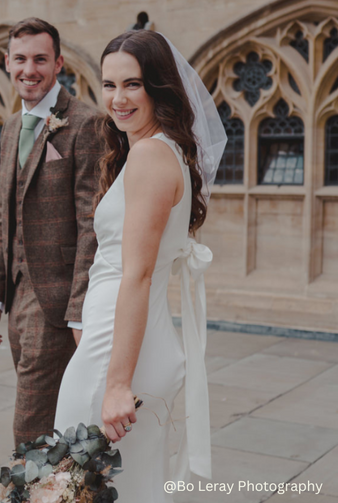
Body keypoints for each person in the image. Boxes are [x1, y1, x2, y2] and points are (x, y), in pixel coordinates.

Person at [54, 30, 226, 502]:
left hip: (117, 348)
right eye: (109, 85)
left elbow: (138, 275)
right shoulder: (159, 150)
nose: (118, 98)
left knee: (77, 481)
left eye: (133, 84)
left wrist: (116, 385)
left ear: (159, 87)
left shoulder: (151, 156)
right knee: (118, 485)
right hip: (126, 335)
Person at [0, 18, 101, 447]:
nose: (28, 69)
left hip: (56, 305)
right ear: (7, 63)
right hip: (17, 300)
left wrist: (78, 310)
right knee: (50, 426)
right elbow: (4, 216)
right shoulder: (12, 126)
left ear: (59, 63)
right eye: (20, 59)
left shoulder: (86, 124)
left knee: (29, 431)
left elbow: (92, 224)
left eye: (40, 59)